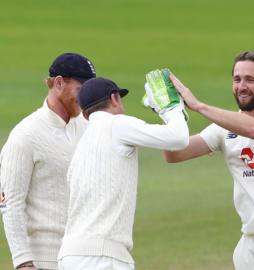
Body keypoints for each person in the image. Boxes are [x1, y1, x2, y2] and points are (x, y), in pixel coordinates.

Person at [163, 50, 254, 269]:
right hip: (250, 241)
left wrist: (199, 106)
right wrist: (170, 112)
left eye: (250, 79)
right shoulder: (223, 129)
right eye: (237, 79)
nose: (242, 86)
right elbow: (174, 154)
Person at [56, 75, 188, 270]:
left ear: (85, 114)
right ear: (114, 98)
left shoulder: (82, 146)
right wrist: (170, 108)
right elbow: (178, 139)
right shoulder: (117, 124)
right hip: (102, 256)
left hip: (69, 256)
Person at [0, 53, 96, 270]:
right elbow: (11, 204)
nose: (86, 99)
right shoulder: (25, 135)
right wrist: (23, 262)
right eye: (81, 90)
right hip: (45, 260)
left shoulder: (87, 126)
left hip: (86, 258)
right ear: (59, 83)